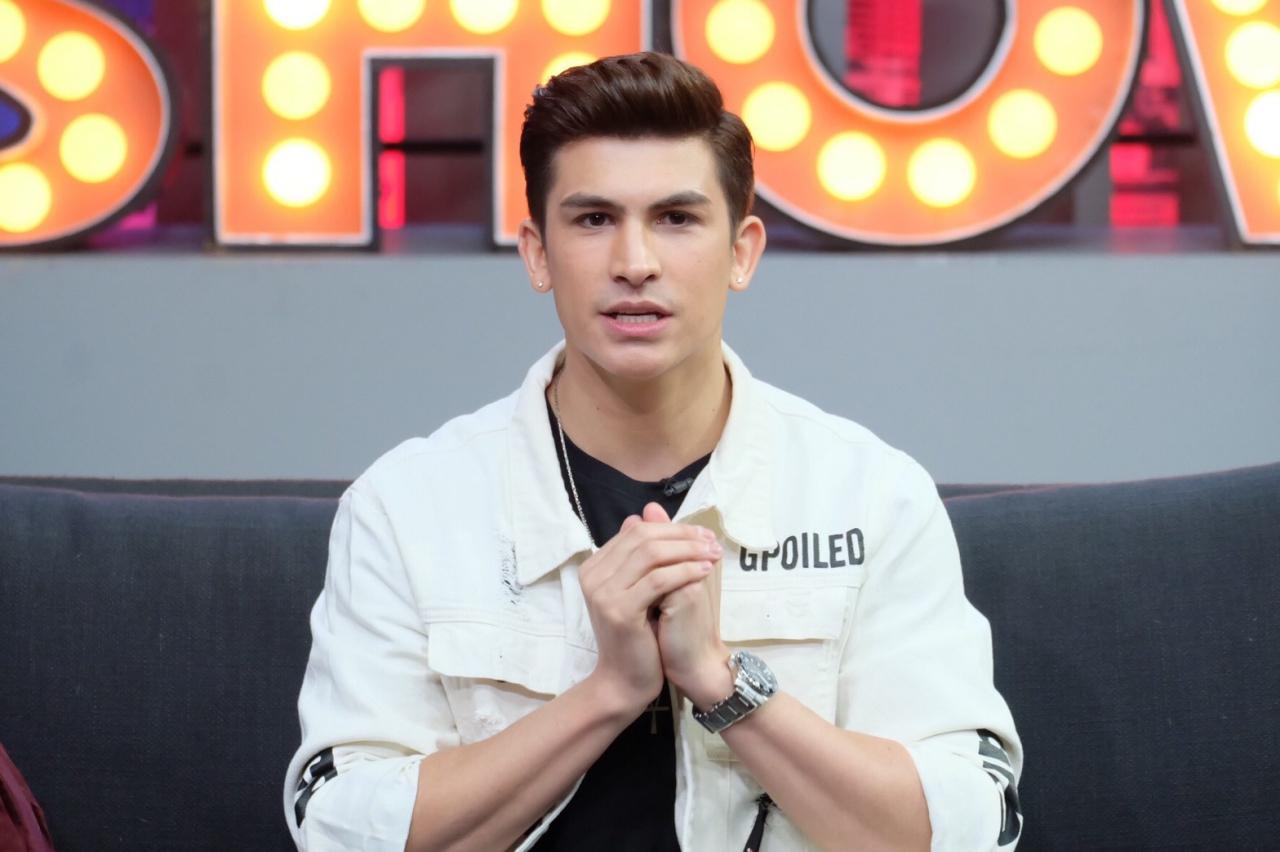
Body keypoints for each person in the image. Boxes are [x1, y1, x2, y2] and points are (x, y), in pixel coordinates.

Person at [284, 51, 1022, 852]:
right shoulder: (407, 507)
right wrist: (607, 693)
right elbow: (342, 832)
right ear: (538, 253)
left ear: (742, 251)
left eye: (676, 218)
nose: (634, 263)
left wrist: (719, 681)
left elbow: (966, 830)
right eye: (593, 220)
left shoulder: (871, 495)